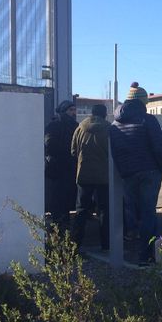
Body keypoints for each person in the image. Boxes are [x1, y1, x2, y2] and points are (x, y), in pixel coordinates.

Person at [109, 82, 162, 266]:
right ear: (142, 101)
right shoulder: (148, 120)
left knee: (132, 212)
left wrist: (124, 170)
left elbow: (115, 151)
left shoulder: (115, 123)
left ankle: (132, 250)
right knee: (149, 213)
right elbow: (159, 147)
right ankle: (147, 256)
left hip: (128, 173)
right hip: (149, 171)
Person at [71, 104, 111, 250]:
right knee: (104, 210)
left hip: (83, 175)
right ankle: (106, 244)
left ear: (91, 113)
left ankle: (75, 245)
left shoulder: (80, 128)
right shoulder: (109, 128)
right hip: (103, 176)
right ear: (105, 114)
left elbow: (73, 151)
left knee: (81, 209)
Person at [44, 100, 78, 231]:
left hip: (62, 165)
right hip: (60, 165)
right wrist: (68, 151)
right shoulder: (57, 125)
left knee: (64, 194)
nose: (73, 112)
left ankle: (61, 219)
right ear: (64, 111)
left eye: (74, 110)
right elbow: (49, 143)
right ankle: (59, 219)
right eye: (71, 110)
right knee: (59, 194)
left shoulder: (71, 125)